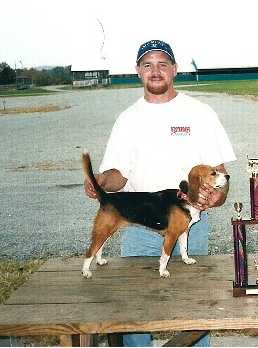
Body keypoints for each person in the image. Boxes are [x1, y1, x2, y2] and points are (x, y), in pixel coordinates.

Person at [84, 39, 236, 347]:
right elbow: (118, 176)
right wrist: (100, 180)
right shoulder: (127, 119)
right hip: (139, 228)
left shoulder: (200, 112)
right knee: (134, 315)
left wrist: (216, 196)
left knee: (194, 309)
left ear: (175, 70)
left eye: (162, 64)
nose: (155, 71)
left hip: (191, 229)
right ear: (138, 71)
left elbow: (221, 175)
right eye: (148, 64)